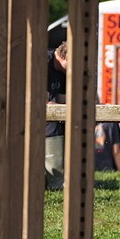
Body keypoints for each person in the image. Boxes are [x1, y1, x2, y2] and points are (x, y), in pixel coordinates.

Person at [45, 41, 69, 190]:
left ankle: (57, 182)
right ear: (66, 57)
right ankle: (55, 184)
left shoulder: (62, 72)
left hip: (51, 125)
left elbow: (61, 100)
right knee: (54, 124)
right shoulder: (43, 63)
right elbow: (41, 102)